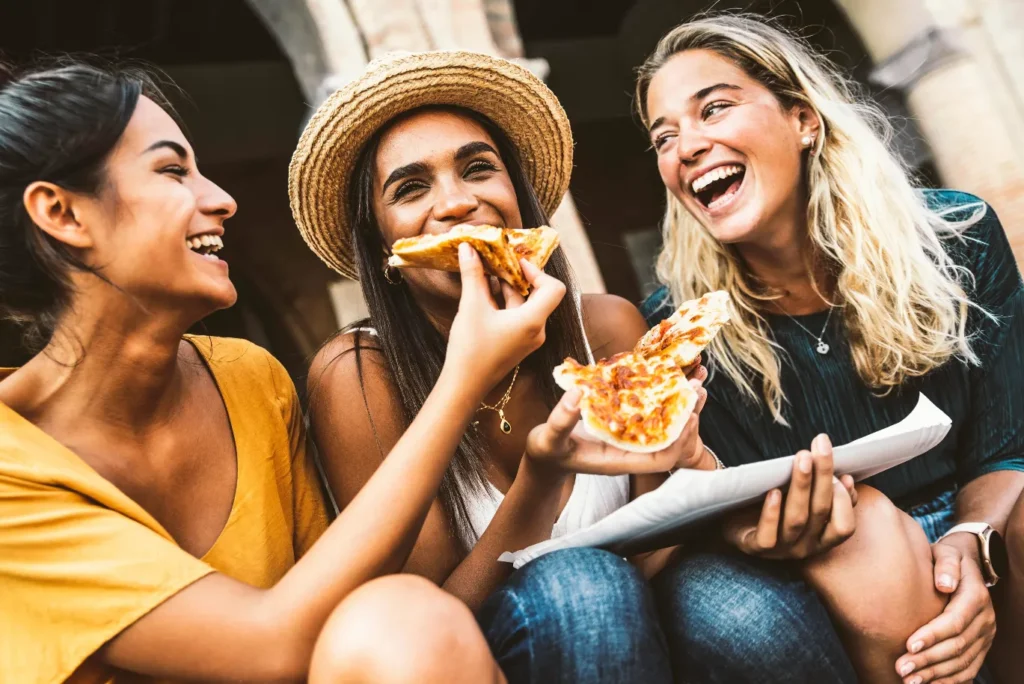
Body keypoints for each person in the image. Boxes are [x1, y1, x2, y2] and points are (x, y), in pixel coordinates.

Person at [0, 59, 559, 683]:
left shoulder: (250, 380)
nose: (223, 199)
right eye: (172, 170)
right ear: (64, 214)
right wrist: (464, 380)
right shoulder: (9, 467)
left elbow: (348, 609)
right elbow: (271, 646)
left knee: (403, 616)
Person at [292, 51, 718, 683]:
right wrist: (540, 480)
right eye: (411, 188)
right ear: (385, 244)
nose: (458, 202)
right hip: (488, 654)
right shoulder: (357, 374)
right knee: (581, 583)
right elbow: (432, 626)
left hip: (635, 635)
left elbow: (656, 560)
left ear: (518, 199)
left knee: (736, 598)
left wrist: (679, 460)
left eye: (478, 169)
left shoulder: (607, 327)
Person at [637, 14, 1024, 684]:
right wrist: (755, 530)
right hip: (844, 570)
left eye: (715, 109)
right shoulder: (679, 330)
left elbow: (1007, 445)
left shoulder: (958, 236)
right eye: (664, 137)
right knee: (866, 533)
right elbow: (708, 505)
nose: (686, 147)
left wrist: (971, 541)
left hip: (985, 517)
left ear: (803, 120)